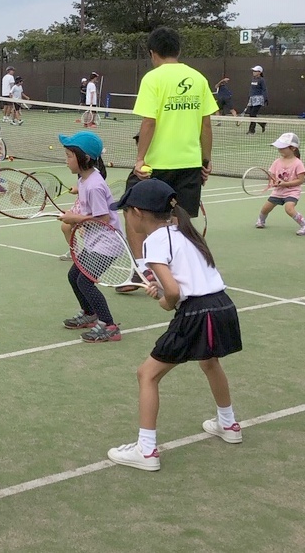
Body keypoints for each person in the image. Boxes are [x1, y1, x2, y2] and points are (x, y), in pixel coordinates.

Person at [106, 179, 242, 472]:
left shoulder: (154, 241)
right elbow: (180, 279)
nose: (125, 216)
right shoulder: (184, 231)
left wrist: (166, 301)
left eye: (126, 211)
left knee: (147, 375)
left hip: (196, 312)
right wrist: (164, 289)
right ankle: (229, 424)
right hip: (222, 306)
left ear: (139, 213)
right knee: (210, 362)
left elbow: (174, 293)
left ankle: (146, 450)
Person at [122, 26, 216, 294]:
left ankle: (143, 272)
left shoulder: (153, 79)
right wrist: (205, 161)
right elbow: (206, 125)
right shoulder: (197, 78)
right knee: (177, 222)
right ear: (179, 50)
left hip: (156, 166)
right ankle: (178, 275)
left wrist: (139, 159)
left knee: (133, 212)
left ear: (153, 53)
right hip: (188, 164)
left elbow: (149, 121)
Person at [55, 132, 123, 342]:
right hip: (96, 242)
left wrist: (74, 218)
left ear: (83, 158)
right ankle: (89, 313)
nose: (66, 160)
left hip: (108, 244)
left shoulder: (94, 185)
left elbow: (102, 218)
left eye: (68, 156)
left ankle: (109, 325)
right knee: (73, 276)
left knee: (85, 281)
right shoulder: (85, 181)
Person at [256, 132, 305, 235]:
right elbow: (272, 176)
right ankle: (261, 221)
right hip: (278, 192)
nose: (279, 149)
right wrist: (274, 182)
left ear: (293, 148)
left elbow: (300, 180)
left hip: (292, 192)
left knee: (289, 208)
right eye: (279, 147)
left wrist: (285, 184)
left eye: (282, 147)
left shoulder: (298, 163)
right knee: (265, 209)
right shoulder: (277, 161)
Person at [245, 65, 268, 134]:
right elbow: (252, 90)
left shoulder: (262, 80)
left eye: (255, 71)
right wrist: (250, 97)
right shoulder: (253, 79)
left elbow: (264, 89)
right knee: (251, 114)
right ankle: (262, 124)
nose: (253, 72)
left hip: (259, 99)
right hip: (252, 99)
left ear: (259, 72)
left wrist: (265, 98)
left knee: (252, 114)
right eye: (253, 71)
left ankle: (251, 130)